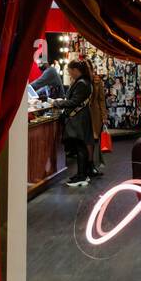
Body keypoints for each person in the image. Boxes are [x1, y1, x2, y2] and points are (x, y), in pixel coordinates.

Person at [55, 59, 95, 189]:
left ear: (75, 70)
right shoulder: (84, 82)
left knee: (80, 147)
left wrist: (57, 103)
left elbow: (74, 102)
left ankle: (81, 176)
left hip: (79, 119)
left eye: (69, 71)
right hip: (82, 118)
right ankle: (81, 174)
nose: (69, 73)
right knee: (80, 147)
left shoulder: (82, 83)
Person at [88, 65, 109, 177]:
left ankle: (93, 165)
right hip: (85, 113)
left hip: (95, 114)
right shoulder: (81, 81)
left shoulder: (97, 81)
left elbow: (101, 100)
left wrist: (104, 116)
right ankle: (88, 166)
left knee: (95, 140)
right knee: (87, 140)